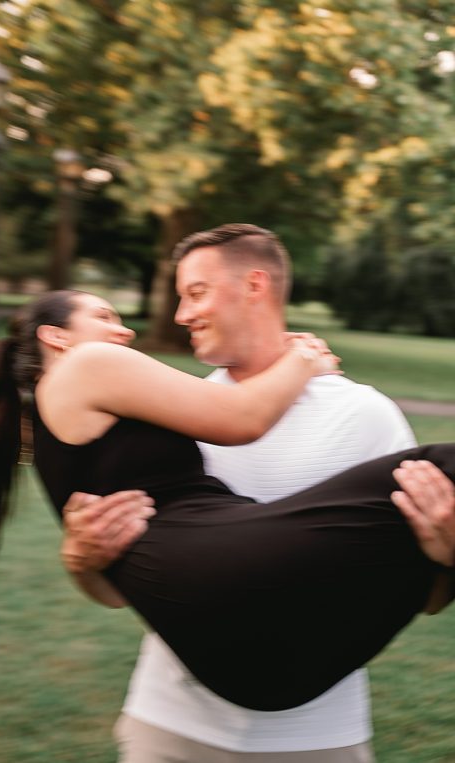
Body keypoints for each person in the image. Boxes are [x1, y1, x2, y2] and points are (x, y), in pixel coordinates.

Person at [0, 288, 455, 719]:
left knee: (422, 555)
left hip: (238, 661)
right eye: (105, 317)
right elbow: (241, 419)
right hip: (218, 572)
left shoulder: (46, 432)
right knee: (442, 467)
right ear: (56, 337)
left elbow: (115, 588)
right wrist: (306, 357)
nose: (125, 332)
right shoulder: (86, 364)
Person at [60, 224, 455, 762]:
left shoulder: (366, 417)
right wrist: (83, 562)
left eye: (196, 293)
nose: (181, 315)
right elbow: (126, 590)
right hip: (171, 730)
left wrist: (448, 557)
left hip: (316, 741)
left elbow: (423, 596)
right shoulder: (165, 423)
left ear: (255, 285)